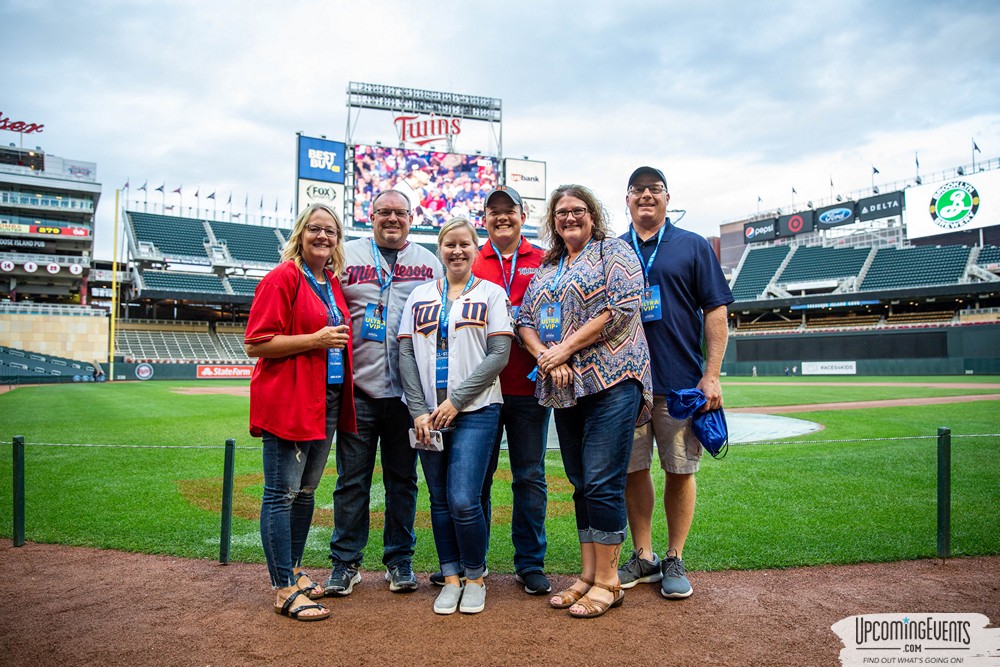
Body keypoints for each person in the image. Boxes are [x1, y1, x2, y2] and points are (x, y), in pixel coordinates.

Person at [517, 184, 652, 619]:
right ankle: (588, 575)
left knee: (601, 480)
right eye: (561, 213)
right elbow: (524, 320)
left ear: (592, 214)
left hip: (614, 381)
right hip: (566, 385)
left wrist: (564, 349)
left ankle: (610, 581)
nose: (569, 218)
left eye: (577, 210)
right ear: (553, 221)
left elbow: (623, 307)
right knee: (580, 481)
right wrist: (545, 354)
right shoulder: (548, 265)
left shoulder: (613, 251)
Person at [617, 166, 734, 600]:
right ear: (626, 200)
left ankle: (674, 556)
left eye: (655, 189)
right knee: (632, 471)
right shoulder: (612, 250)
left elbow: (716, 311)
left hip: (681, 383)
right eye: (637, 190)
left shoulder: (693, 245)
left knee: (680, 470)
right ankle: (643, 555)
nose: (646, 195)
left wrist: (712, 375)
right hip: (626, 385)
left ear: (668, 198)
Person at [326, 190, 442, 596]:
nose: (392, 219)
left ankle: (399, 560)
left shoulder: (429, 262)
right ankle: (345, 562)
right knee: (351, 481)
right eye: (384, 213)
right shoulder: (348, 255)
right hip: (359, 389)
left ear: (411, 217)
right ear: (370, 215)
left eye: (399, 213)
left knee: (403, 480)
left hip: (408, 397)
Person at [245, 203, 357, 622]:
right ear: (300, 233)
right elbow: (256, 343)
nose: (323, 237)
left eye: (331, 231)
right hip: (291, 398)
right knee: (281, 493)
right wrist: (315, 339)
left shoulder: (328, 280)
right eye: (315, 229)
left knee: (307, 492)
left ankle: (291, 570)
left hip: (323, 399)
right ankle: (282, 589)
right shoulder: (283, 276)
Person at [399, 217, 512, 614]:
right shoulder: (419, 295)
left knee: (464, 499)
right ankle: (450, 577)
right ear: (439, 249)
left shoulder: (493, 293)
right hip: (427, 414)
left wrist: (456, 401)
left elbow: (499, 354)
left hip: (477, 410)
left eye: (465, 244)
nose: (457, 251)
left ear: (475, 248)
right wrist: (418, 410)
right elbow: (406, 353)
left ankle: (475, 576)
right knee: (439, 500)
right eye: (450, 244)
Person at [471, 185, 552, 596]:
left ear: (523, 215)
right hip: (482, 390)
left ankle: (530, 563)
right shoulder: (471, 257)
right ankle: (473, 563)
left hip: (529, 386)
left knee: (530, 476)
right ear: (483, 218)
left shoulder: (543, 259)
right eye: (494, 211)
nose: (502, 217)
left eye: (510, 210)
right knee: (477, 479)